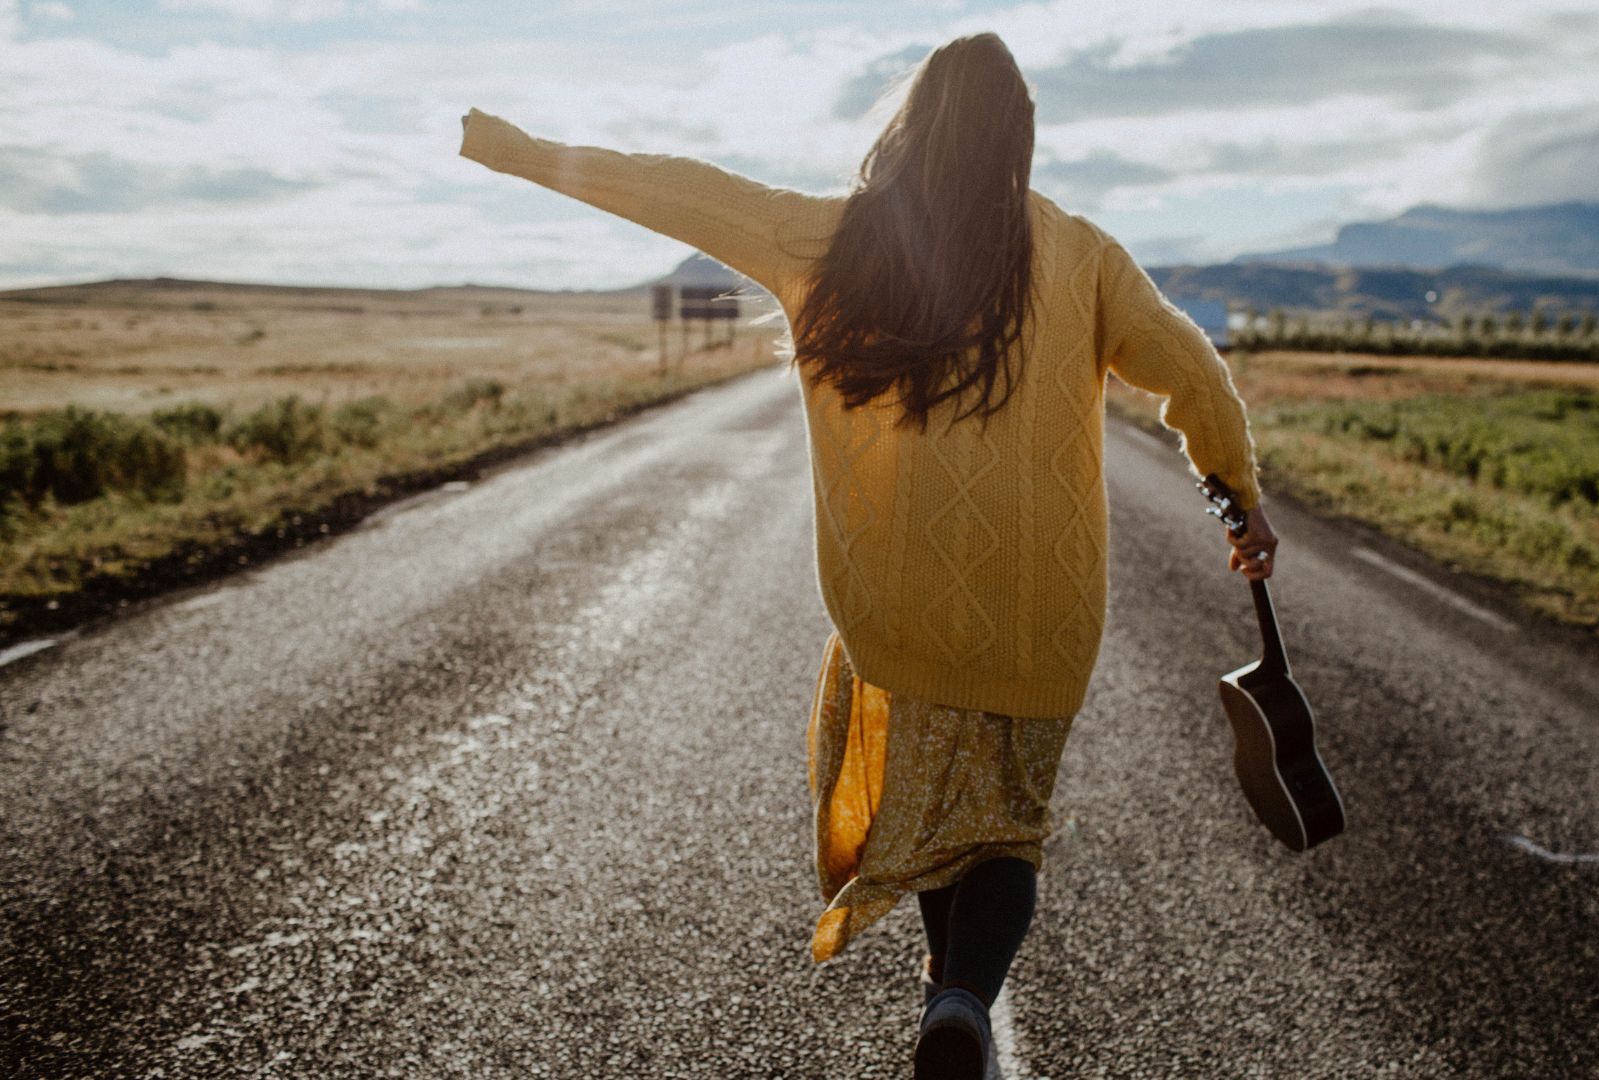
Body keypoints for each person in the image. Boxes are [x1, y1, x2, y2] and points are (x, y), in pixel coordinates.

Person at [458, 30, 1278, 1080]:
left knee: (937, 814)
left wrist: (515, 149)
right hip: (1046, 612)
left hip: (901, 611)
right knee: (1007, 829)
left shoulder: (831, 239)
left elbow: (677, 190)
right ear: (1018, 139)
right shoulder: (1080, 253)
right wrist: (1236, 498)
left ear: (913, 124)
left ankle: (953, 1009)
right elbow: (1194, 379)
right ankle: (961, 999)